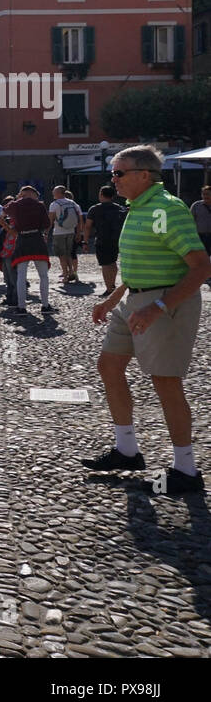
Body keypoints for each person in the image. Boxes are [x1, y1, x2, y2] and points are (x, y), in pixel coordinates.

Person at [86, 145, 211, 495]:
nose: (113, 179)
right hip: (133, 301)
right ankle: (127, 450)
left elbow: (202, 267)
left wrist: (157, 306)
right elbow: (139, 261)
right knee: (109, 365)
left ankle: (185, 470)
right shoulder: (138, 207)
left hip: (163, 303)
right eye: (113, 172)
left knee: (166, 382)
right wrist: (113, 298)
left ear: (145, 175)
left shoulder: (167, 210)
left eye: (119, 173)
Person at [5, 185, 53, 316]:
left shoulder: (15, 205)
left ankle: (21, 307)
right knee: (43, 276)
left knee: (21, 276)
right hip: (37, 239)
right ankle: (45, 305)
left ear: (22, 194)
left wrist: (17, 200)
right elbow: (46, 224)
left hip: (23, 240)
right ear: (32, 194)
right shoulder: (39, 205)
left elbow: (6, 210)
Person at [83, 185, 126, 296]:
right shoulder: (119, 208)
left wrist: (85, 241)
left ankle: (109, 288)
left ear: (101, 194)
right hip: (116, 239)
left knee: (106, 265)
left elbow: (88, 226)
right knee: (113, 262)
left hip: (102, 240)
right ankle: (112, 285)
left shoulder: (94, 209)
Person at [48, 186, 80, 284]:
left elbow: (50, 220)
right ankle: (71, 272)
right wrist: (78, 232)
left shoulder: (54, 204)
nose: (53, 193)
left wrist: (46, 232)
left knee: (62, 256)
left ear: (59, 193)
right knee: (69, 254)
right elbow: (79, 218)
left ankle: (65, 277)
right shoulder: (73, 203)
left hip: (59, 233)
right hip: (71, 231)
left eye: (54, 191)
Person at [191, 186, 211, 284]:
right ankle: (205, 276)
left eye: (208, 194)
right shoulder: (196, 205)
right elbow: (190, 220)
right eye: (204, 194)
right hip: (200, 236)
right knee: (202, 257)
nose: (205, 196)